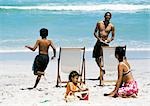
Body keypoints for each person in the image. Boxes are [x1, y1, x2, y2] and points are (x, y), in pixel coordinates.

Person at [93, 12, 115, 85]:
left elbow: (112, 37)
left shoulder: (111, 26)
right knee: (96, 58)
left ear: (110, 17)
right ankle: (102, 70)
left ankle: (101, 73)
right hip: (98, 42)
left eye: (109, 16)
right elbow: (95, 33)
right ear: (104, 16)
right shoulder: (99, 23)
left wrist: (109, 40)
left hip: (105, 43)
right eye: (106, 16)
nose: (107, 17)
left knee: (103, 59)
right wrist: (99, 38)